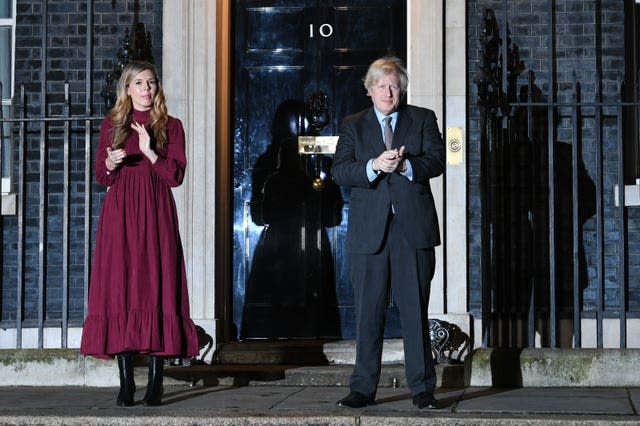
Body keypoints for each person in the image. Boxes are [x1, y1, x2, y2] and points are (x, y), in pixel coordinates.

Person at [80, 60, 199, 407]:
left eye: (151, 83)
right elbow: (103, 179)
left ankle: (157, 383)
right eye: (139, 84)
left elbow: (174, 177)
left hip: (156, 212)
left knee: (157, 285)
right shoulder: (112, 124)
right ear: (127, 89)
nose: (147, 90)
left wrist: (148, 151)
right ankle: (126, 383)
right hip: (120, 215)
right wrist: (110, 163)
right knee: (121, 289)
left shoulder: (170, 126)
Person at [331, 56, 445, 409]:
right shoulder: (354, 125)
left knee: (414, 310)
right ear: (369, 90)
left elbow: (438, 160)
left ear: (402, 88)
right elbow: (340, 171)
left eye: (394, 85)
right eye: (381, 85)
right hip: (369, 233)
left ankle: (423, 388)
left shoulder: (422, 119)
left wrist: (408, 165)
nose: (388, 91)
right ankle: (363, 388)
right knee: (369, 313)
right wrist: (373, 166)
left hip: (412, 230)